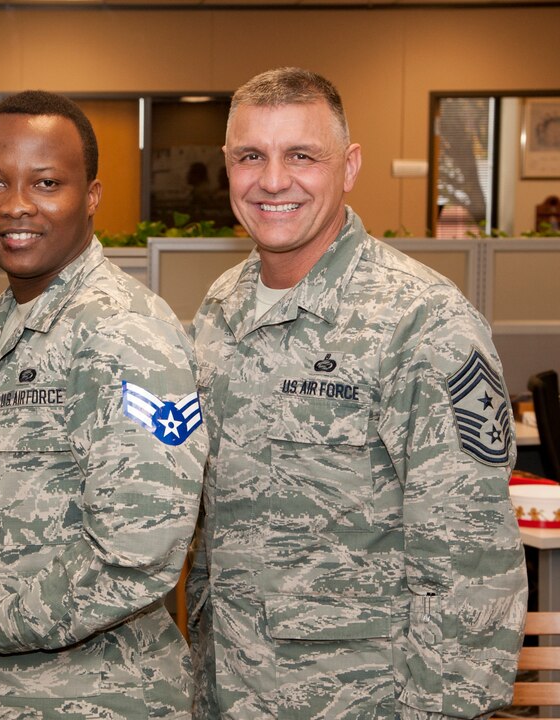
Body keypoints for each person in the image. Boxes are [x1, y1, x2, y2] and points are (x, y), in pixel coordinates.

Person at [186, 67, 527, 719]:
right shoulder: (221, 307)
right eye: (250, 156)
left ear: (349, 167)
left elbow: (473, 571)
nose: (274, 179)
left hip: (363, 701)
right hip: (228, 690)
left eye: (303, 156)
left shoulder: (424, 323)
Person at [0, 90, 206, 718]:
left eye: (47, 182)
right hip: (0, 693)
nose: (16, 204)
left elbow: (140, 549)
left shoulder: (126, 333)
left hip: (100, 696)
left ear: (92, 197)